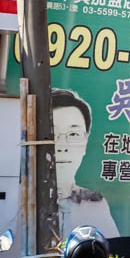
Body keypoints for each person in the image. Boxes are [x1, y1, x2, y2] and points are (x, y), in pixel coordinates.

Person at [53, 88, 119, 238]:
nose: (63, 146)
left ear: (86, 142)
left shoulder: (95, 204)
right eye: (52, 134)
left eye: (73, 134)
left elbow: (112, 256)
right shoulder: (21, 201)